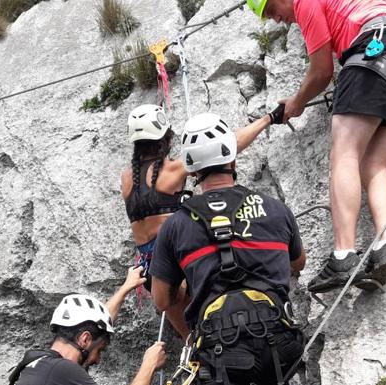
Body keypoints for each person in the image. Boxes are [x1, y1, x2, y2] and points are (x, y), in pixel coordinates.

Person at [247, 0, 386, 292]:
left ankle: (344, 255)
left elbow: (321, 72)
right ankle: (385, 248)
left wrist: (296, 103)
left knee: (344, 154)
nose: (277, 20)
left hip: (378, 49)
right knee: (374, 165)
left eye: (272, 11)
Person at [149, 113, 306, 385]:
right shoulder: (275, 209)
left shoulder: (175, 226)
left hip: (219, 355)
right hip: (278, 347)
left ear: (193, 170)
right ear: (232, 158)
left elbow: (162, 300)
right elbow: (298, 263)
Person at [121, 104, 285, 338]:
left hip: (149, 266)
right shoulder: (172, 171)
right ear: (165, 138)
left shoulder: (127, 178)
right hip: (177, 257)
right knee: (212, 322)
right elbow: (225, 148)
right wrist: (268, 119)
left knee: (191, 339)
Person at [9, 267, 166, 385]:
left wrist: (125, 289)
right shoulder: (63, 370)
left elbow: (97, 324)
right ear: (84, 339)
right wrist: (150, 364)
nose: (97, 360)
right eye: (100, 350)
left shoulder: (38, 364)